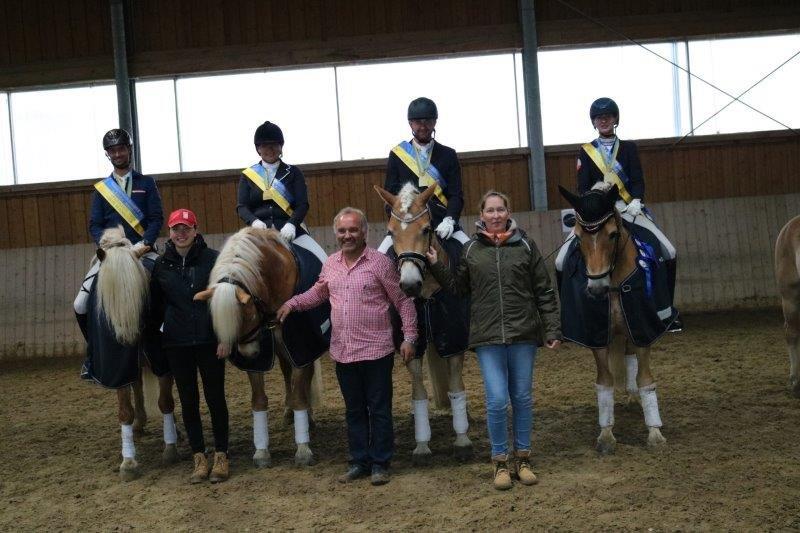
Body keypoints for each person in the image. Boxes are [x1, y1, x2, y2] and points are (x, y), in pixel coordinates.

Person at [426, 191, 561, 491]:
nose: (496, 215)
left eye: (501, 209)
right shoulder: (472, 249)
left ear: (509, 212)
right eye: (490, 210)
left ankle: (523, 458)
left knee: (523, 398)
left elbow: (544, 289)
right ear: (482, 215)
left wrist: (551, 328)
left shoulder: (526, 245)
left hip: (523, 334)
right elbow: (458, 288)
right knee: (498, 400)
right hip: (487, 337)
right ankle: (500, 461)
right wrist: (436, 265)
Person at [276, 207, 417, 486]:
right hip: (344, 352)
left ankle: (380, 462)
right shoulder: (330, 264)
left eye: (353, 230)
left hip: (376, 351)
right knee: (353, 410)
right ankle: (358, 461)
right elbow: (318, 293)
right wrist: (291, 304)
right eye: (342, 231)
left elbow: (402, 301)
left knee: (378, 408)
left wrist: (409, 336)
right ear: (335, 234)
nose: (347, 235)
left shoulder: (379, 263)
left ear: (364, 232)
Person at [556, 97, 682, 331]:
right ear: (594, 122)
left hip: (628, 208)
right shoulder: (586, 152)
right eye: (599, 118)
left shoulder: (629, 148)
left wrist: (636, 200)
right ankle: (569, 317)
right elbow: (582, 187)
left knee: (669, 250)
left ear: (615, 119)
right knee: (561, 260)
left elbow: (637, 179)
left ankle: (666, 311)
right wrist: (594, 197)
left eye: (608, 116)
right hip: (598, 212)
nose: (603, 120)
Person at [149, 209, 230, 483]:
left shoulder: (213, 260)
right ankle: (199, 456)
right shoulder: (161, 266)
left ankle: (221, 455)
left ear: (196, 230)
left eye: (186, 228)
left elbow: (224, 301)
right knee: (189, 402)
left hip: (209, 341)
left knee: (216, 398)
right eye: (176, 229)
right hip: (177, 344)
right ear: (169, 233)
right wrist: (164, 336)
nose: (181, 234)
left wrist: (224, 336)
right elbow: (156, 308)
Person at [74, 128, 164, 336]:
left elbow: (156, 218)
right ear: (108, 154)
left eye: (121, 149)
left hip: (142, 250)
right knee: (80, 304)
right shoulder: (102, 190)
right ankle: (93, 357)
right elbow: (95, 225)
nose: (117, 155)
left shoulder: (146, 183)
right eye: (112, 151)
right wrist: (105, 244)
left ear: (129, 150)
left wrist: (145, 243)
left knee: (168, 293)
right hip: (112, 253)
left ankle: (163, 352)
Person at [380, 96, 469, 257]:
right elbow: (390, 195)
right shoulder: (398, 154)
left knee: (471, 254)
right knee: (380, 257)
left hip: (442, 222)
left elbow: (456, 195)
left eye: (428, 121)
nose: (423, 126)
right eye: (418, 122)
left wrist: (450, 220)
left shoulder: (448, 155)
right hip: (407, 223)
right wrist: (401, 221)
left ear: (435, 122)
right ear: (410, 124)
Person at [237, 121, 327, 264]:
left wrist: (292, 224)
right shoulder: (248, 175)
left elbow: (302, 204)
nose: (270, 149)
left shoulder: (293, 173)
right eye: (265, 145)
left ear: (281, 147)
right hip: (258, 231)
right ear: (258, 149)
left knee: (322, 258)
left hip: (290, 230)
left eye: (274, 144)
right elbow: (242, 207)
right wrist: (254, 221)